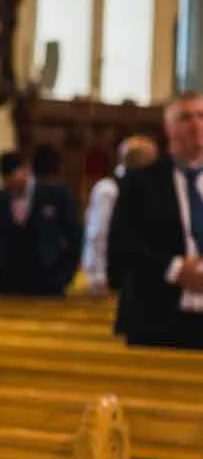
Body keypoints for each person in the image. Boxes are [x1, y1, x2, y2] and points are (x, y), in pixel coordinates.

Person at [109, 90, 203, 347]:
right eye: (186, 118)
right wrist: (174, 269)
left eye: (201, 116)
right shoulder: (141, 182)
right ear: (169, 128)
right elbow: (121, 245)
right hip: (157, 317)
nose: (196, 124)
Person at [0, 146, 81, 296]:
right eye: (7, 181)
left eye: (14, 177)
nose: (11, 184)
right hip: (7, 283)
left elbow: (74, 237)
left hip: (48, 282)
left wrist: (65, 277)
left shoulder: (56, 195)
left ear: (26, 169)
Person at [81, 134, 158, 295]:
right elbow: (98, 234)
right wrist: (98, 275)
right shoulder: (109, 189)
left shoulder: (148, 188)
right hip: (113, 275)